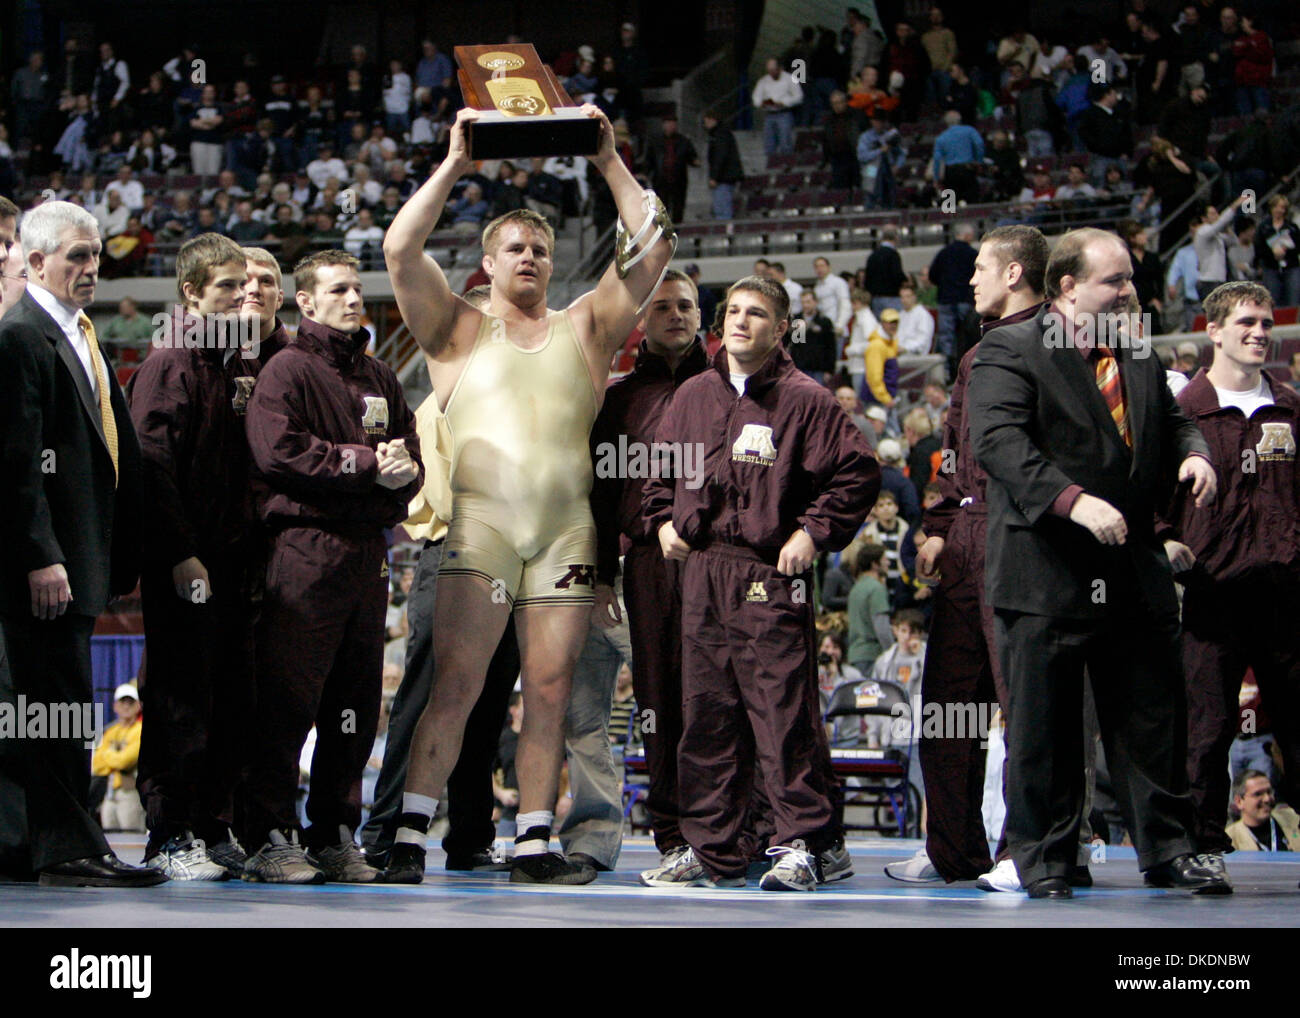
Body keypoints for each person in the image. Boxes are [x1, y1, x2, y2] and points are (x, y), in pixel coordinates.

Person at [382, 104, 673, 885]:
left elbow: (654, 248)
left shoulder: (585, 329)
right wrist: (454, 165)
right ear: (486, 261)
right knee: (457, 686)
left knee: (547, 692)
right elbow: (400, 247)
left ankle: (536, 839)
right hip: (481, 531)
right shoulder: (455, 333)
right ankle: (411, 834)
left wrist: (610, 159)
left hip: (566, 535)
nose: (532, 258)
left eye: (542, 248)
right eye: (516, 246)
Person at [967, 227, 1229, 898]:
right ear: (1066, 287)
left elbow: (1172, 422)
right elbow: (999, 444)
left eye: (1130, 279)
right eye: (1115, 281)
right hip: (1045, 571)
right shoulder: (1007, 349)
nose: (1129, 292)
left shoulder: (1135, 352)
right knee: (1045, 728)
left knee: (1152, 721)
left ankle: (1170, 850)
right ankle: (1048, 860)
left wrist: (1195, 452)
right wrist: (1072, 502)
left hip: (1133, 568)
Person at [640, 274, 877, 890]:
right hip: (702, 572)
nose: (741, 322)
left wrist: (813, 532)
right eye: (734, 312)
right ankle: (712, 845)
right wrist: (661, 518)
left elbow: (857, 473)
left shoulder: (807, 400)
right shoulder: (692, 394)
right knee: (706, 714)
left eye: (757, 314)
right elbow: (656, 470)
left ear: (782, 329)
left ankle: (802, 842)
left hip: (767, 574)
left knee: (781, 714)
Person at [240, 249, 422, 883]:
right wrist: (368, 466)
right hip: (303, 551)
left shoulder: (381, 376)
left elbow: (411, 459)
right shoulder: (285, 371)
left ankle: (335, 834)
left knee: (354, 702)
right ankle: (268, 834)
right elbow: (278, 453)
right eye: (339, 290)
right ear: (306, 303)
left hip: (368, 556)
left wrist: (400, 477)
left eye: (358, 289)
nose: (354, 299)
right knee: (288, 699)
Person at [0, 199, 161, 887]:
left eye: (95, 254)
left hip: (83, 558)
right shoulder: (19, 336)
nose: (91, 267)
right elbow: (14, 462)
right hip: (48, 565)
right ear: (35, 262)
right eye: (76, 256)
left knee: (61, 707)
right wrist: (41, 555)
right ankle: (66, 849)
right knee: (50, 710)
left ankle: (65, 843)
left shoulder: (79, 333)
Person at [889, 224, 1049, 886]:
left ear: (1013, 273)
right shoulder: (974, 356)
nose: (971, 278)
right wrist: (932, 527)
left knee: (1026, 705)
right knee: (950, 705)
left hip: (1026, 537)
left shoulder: (1059, 347)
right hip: (964, 540)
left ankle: (1026, 851)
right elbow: (949, 450)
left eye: (980, 267)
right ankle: (951, 849)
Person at [126, 233, 285, 880]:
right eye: (225, 286)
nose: (240, 295)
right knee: (179, 698)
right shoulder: (169, 364)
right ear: (191, 293)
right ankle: (168, 834)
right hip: (185, 564)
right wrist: (180, 554)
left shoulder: (243, 364)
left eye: (244, 284)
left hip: (239, 563)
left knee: (232, 700)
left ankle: (212, 827)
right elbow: (151, 470)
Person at [363, 285, 522, 877]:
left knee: (485, 706)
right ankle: (382, 834)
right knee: (425, 701)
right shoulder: (439, 406)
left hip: (511, 562)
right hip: (452, 554)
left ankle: (472, 836)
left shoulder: (514, 404)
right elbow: (439, 497)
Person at [1158, 281, 1300, 870]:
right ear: (1212, 330)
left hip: (1288, 598)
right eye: (1246, 322)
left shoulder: (1290, 406)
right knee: (1206, 731)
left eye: (1266, 323)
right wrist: (1164, 538)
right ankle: (1202, 848)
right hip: (1212, 594)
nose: (1259, 333)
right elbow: (1152, 494)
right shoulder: (1182, 411)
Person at [586, 269, 707, 875]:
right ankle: (675, 835)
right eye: (662, 307)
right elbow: (602, 499)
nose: (676, 315)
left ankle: (738, 824)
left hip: (724, 565)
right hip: (650, 569)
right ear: (641, 320)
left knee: (725, 695)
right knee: (660, 698)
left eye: (686, 305)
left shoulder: (729, 388)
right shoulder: (620, 400)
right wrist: (603, 575)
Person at [91, 683, 145, 833]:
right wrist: (113, 757)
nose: (126, 707)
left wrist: (108, 753)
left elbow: (125, 761)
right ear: (115, 706)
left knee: (132, 833)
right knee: (108, 834)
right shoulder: (110, 731)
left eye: (131, 703)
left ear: (138, 706)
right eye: (122, 702)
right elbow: (98, 764)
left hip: (130, 791)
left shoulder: (140, 730)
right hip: (109, 792)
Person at [928, 224, 977, 381]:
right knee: (967, 336)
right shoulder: (972, 254)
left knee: (947, 337)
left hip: (946, 299)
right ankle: (967, 368)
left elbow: (932, 275)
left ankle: (949, 372)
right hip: (965, 299)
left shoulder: (944, 253)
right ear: (968, 235)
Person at [847, 543, 892, 674]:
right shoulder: (876, 588)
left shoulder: (856, 588)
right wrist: (891, 652)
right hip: (872, 656)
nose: (888, 563)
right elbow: (882, 627)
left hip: (855, 654)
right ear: (874, 564)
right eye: (885, 559)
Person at [1225, 771, 1297, 852]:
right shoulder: (1230, 838)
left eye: (1269, 792)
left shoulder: (1292, 818)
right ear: (1239, 801)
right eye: (1258, 794)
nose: (1267, 799)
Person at [1255, 195, 1300, 308]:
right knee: (1272, 300)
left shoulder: (1292, 227)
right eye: (1277, 207)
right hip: (1271, 267)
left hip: (1291, 266)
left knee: (1293, 298)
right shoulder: (1264, 227)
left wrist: (1286, 252)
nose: (1280, 210)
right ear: (1272, 208)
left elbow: (1298, 246)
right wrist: (1273, 253)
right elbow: (1259, 248)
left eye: (1282, 207)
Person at [752, 58, 802, 156]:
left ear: (780, 69)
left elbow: (799, 96)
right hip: (769, 114)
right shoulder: (763, 81)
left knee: (785, 143)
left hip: (784, 113)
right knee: (769, 143)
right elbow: (756, 97)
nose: (772, 73)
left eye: (774, 70)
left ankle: (787, 163)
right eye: (770, 71)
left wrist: (783, 103)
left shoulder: (790, 79)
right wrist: (760, 103)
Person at [789, 289, 837, 384]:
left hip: (819, 369)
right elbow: (795, 345)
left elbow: (831, 347)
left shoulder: (824, 321)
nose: (805, 305)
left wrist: (829, 370)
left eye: (808, 302)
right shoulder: (797, 319)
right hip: (801, 368)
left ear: (815, 302)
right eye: (803, 302)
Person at [703, 112, 743, 220]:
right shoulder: (721, 133)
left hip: (724, 177)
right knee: (722, 208)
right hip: (725, 176)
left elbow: (720, 156)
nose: (705, 124)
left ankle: (726, 232)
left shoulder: (720, 134)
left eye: (707, 120)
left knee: (722, 210)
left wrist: (714, 177)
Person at [896, 282, 934, 355]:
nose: (904, 300)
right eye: (902, 297)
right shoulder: (900, 314)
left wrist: (905, 348)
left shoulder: (923, 315)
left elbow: (923, 340)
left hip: (915, 354)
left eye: (908, 296)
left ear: (914, 297)